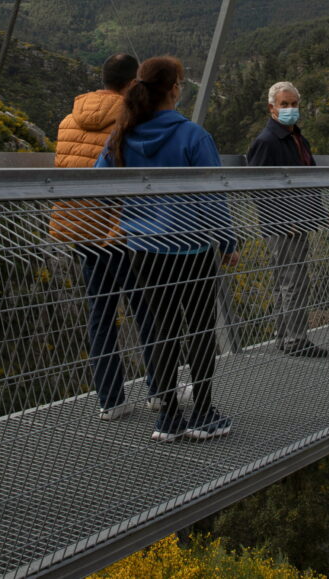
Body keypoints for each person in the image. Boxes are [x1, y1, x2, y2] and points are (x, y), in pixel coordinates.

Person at [97, 56, 238, 443]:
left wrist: (129, 213)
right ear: (174, 88)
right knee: (200, 329)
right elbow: (213, 198)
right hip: (191, 248)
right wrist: (227, 242)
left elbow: (97, 184)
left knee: (162, 330)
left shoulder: (122, 135)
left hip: (143, 249)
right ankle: (204, 411)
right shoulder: (193, 136)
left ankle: (169, 417)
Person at [50, 53, 161, 419]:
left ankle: (110, 399)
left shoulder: (68, 121)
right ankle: (159, 391)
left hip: (82, 230)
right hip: (122, 231)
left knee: (100, 313)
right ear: (132, 84)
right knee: (146, 310)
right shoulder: (134, 120)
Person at [245, 81, 327, 358]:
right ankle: (296, 340)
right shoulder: (267, 141)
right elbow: (257, 188)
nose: (291, 109)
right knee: (293, 281)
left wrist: (319, 212)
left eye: (294, 104)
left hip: (299, 220)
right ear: (272, 108)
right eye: (285, 104)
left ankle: (286, 337)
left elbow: (309, 177)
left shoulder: (296, 138)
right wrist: (280, 220)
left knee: (287, 280)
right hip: (284, 225)